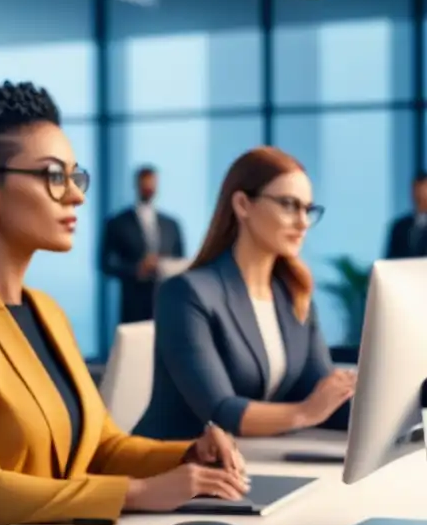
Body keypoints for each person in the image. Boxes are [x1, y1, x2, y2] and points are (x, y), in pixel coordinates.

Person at [0, 82, 248, 525]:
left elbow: (103, 449)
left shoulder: (47, 312)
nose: (76, 195)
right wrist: (141, 494)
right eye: (54, 176)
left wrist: (188, 456)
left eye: (76, 177)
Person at [134, 146, 356, 441]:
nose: (303, 222)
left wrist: (408, 403)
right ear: (243, 205)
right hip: (171, 470)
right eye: (289, 205)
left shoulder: (293, 296)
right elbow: (220, 411)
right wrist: (304, 413)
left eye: (308, 209)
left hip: (251, 462)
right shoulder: (187, 294)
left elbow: (320, 396)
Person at [101, 165, 185, 324]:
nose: (148, 188)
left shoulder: (171, 224)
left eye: (152, 183)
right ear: (137, 185)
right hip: (133, 305)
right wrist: (137, 269)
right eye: (145, 184)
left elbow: (181, 261)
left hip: (166, 304)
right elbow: (105, 264)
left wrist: (164, 264)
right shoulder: (118, 223)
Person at [384, 170, 427, 259]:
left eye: (423, 190)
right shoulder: (399, 226)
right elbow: (389, 259)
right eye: (416, 189)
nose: (419, 194)